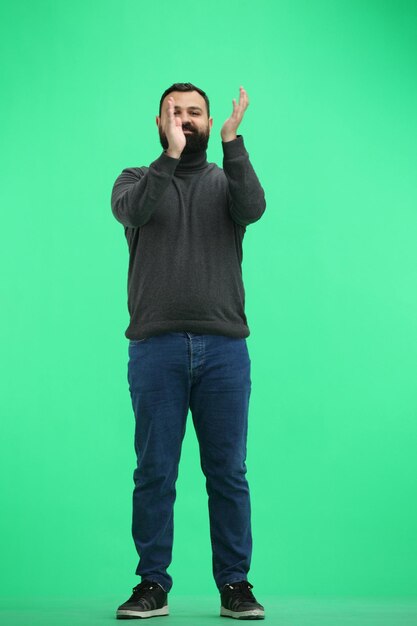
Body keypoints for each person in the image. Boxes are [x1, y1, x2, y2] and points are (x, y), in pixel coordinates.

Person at [110, 82, 266, 620]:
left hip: (224, 349)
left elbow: (254, 208)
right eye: (174, 113)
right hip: (155, 349)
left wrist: (233, 142)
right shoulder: (133, 181)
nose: (185, 119)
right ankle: (152, 583)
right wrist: (170, 158)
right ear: (158, 123)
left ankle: (236, 586)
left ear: (208, 120)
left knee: (227, 472)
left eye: (194, 112)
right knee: (155, 471)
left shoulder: (226, 182)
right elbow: (135, 212)